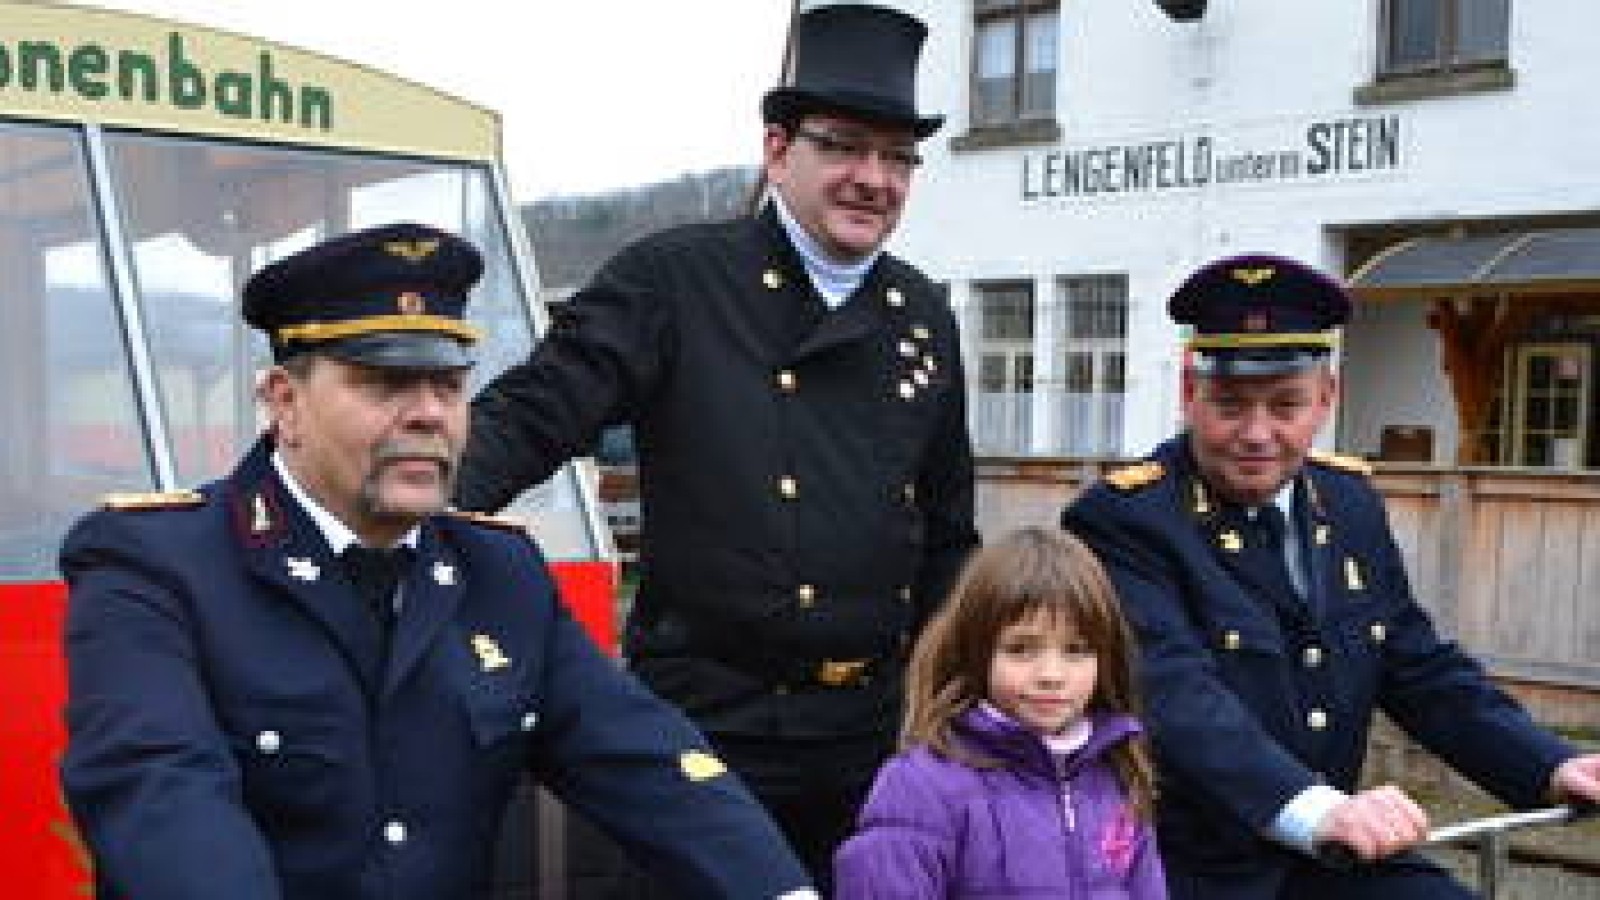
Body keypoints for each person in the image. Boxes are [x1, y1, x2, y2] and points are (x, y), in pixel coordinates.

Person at [58, 223, 818, 900]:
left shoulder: (503, 574)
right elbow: (164, 805)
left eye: (449, 385)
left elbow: (649, 762)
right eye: (384, 382)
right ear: (284, 402)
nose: (428, 413)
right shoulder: (156, 566)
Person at [454, 4, 979, 888]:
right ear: (778, 150)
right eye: (844, 146)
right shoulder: (675, 281)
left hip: (871, 732)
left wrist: (946, 714)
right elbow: (532, 415)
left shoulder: (921, 313)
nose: (873, 178)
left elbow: (946, 531)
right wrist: (405, 512)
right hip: (708, 724)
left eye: (897, 157)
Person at [1060, 253, 1600, 899]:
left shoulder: (1349, 503)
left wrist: (1550, 762)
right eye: (1229, 404)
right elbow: (1174, 697)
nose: (1257, 433)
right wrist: (1318, 809)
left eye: (1286, 404)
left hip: (1334, 854)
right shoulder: (1125, 520)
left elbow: (1417, 666)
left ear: (1326, 398)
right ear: (1188, 393)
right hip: (1192, 869)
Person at [833, 526, 1167, 898]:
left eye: (1076, 650)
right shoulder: (922, 786)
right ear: (975, 652)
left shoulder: (1116, 774)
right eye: (1021, 649)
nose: (1051, 676)